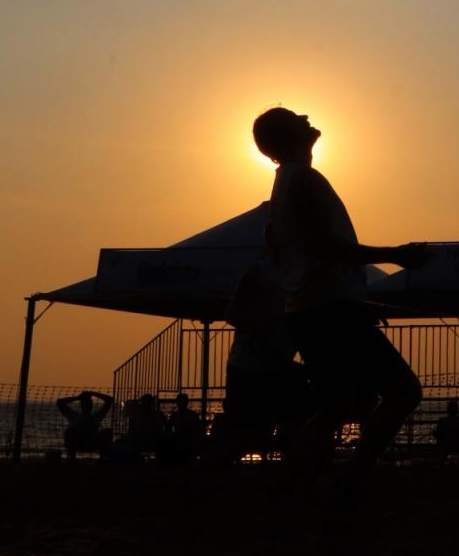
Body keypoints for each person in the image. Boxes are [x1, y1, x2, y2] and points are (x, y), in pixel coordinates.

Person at [253, 106, 433, 494]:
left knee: (336, 404)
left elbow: (303, 254)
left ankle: (301, 480)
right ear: (287, 136)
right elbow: (326, 248)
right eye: (294, 117)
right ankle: (351, 476)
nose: (305, 116)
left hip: (314, 310)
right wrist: (394, 254)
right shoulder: (302, 181)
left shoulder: (288, 183)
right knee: (403, 391)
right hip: (329, 310)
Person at [217, 259, 309, 460]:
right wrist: (262, 335)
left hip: (275, 366)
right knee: (242, 439)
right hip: (249, 368)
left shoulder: (301, 272)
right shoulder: (259, 271)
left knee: (293, 424)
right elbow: (232, 314)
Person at [57, 390, 113, 461]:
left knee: (107, 431)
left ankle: (103, 460)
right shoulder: (76, 416)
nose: (87, 405)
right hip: (79, 443)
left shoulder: (94, 416)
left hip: (93, 443)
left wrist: (92, 394)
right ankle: (71, 459)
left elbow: (110, 400)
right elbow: (59, 402)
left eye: (88, 403)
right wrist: (78, 397)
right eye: (86, 403)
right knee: (69, 431)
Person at [164, 392, 207, 464]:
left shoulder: (175, 415)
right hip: (188, 442)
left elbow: (168, 428)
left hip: (182, 442)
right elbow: (199, 429)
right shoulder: (192, 414)